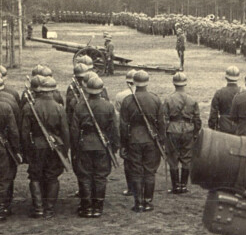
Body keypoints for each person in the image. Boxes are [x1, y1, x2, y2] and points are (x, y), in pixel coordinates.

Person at [70, 76, 119, 217]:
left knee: (85, 176)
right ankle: (98, 208)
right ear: (101, 90)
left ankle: (86, 208)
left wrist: (75, 148)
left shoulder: (80, 106)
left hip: (84, 144)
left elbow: (74, 130)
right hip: (102, 145)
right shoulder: (108, 106)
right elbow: (114, 129)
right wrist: (114, 147)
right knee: (100, 176)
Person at [20, 77, 69, 219]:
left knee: (35, 176)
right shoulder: (59, 108)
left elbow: (24, 132)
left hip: (36, 146)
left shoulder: (29, 107)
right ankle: (49, 210)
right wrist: (64, 150)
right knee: (52, 177)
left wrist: (26, 150)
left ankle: (38, 209)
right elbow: (65, 132)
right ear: (53, 91)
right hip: (55, 147)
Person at [120, 70, 165, 212]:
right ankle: (148, 201)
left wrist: (123, 143)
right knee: (150, 172)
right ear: (147, 82)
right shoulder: (155, 99)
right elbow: (161, 123)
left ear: (134, 82)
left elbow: (122, 125)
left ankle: (138, 202)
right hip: (151, 140)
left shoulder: (127, 101)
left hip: (133, 139)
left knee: (136, 171)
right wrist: (161, 141)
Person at [161, 72, 201, 194]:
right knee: (186, 157)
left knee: (172, 158)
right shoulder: (192, 99)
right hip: (188, 129)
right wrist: (195, 132)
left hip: (172, 129)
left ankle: (175, 186)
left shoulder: (168, 99)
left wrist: (164, 134)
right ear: (185, 83)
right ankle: (183, 186)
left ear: (174, 84)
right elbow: (197, 119)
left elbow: (164, 119)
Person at [0, 95, 20, 221]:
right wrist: (16, 149)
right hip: (2, 146)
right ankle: (1, 208)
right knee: (4, 177)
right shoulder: (5, 107)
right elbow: (13, 131)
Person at [208, 66, 241, 133]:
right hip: (239, 127)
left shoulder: (219, 93)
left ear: (226, 77)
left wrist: (212, 126)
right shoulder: (242, 92)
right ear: (238, 78)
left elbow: (213, 113)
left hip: (223, 126)